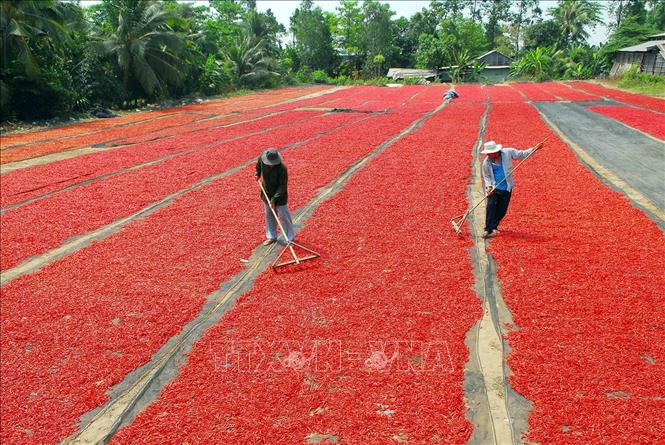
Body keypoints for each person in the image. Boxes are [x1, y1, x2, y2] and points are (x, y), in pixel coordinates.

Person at [480, 140, 544, 239]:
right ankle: (488, 229)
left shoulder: (508, 153)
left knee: (502, 210)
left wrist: (534, 149)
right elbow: (487, 177)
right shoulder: (486, 162)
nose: (489, 155)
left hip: (506, 187)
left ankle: (494, 227)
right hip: (494, 188)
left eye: (491, 153)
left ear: (496, 152)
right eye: (488, 153)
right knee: (490, 206)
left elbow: (521, 154)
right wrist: (489, 188)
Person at [255, 148, 295, 245]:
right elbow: (258, 165)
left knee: (284, 216)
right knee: (269, 216)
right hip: (266, 193)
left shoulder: (282, 169)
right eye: (270, 163)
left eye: (273, 163)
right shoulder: (262, 159)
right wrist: (258, 173)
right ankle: (271, 236)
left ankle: (289, 238)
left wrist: (274, 200)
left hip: (280, 196)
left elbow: (282, 186)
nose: (271, 164)